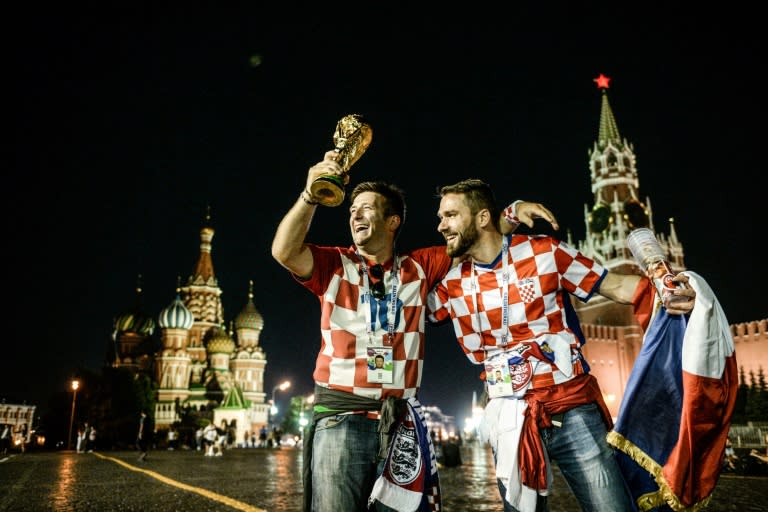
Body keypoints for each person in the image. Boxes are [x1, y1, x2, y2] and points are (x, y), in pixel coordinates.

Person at [271, 150, 557, 512]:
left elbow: (472, 237)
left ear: (392, 222)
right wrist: (311, 195)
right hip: (341, 419)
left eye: (366, 207)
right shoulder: (334, 264)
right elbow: (284, 251)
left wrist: (513, 212)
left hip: (399, 423)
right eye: (351, 210)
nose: (355, 213)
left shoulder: (419, 266)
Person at [427, 178, 696, 512]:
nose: (440, 225)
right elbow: (407, 312)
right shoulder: (450, 285)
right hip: (509, 418)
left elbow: (613, 285)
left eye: (450, 215)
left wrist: (665, 289)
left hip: (572, 408)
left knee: (611, 507)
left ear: (482, 218)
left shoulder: (544, 252)